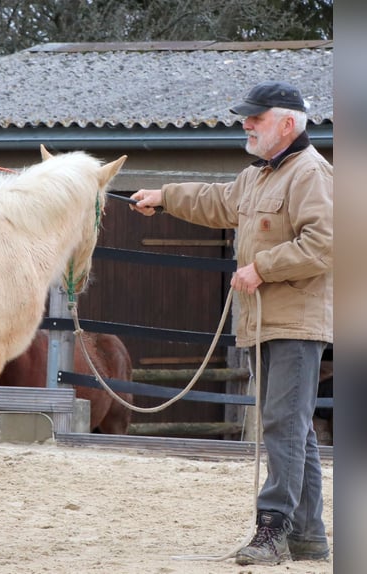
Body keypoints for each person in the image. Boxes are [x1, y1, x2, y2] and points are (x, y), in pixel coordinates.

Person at [130, 80, 333, 566]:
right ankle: (307, 537)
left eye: (255, 118)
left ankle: (272, 530)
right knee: (294, 429)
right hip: (268, 321)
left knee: (284, 425)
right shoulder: (257, 176)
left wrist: (262, 267)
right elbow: (214, 200)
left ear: (287, 124)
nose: (245, 124)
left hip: (296, 322)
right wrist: (163, 196)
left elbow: (326, 244)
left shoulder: (313, 174)